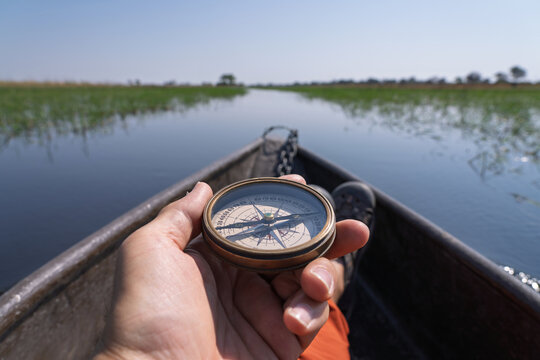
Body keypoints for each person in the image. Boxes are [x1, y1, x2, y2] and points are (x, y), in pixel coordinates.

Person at [94, 175, 370, 359]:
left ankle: (334, 271)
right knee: (321, 313)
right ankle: (339, 272)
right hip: (281, 331)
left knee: (311, 292)